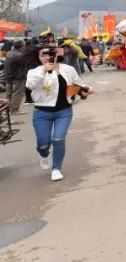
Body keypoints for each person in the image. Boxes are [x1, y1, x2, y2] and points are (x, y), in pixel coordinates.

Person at [25, 45, 93, 181]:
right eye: (42, 55)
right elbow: (30, 85)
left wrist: (87, 89)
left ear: (56, 55)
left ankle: (56, 168)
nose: (47, 57)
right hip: (42, 112)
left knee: (58, 139)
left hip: (64, 111)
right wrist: (44, 70)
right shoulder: (34, 72)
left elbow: (78, 84)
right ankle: (44, 153)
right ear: (38, 57)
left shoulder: (68, 70)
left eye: (50, 54)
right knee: (43, 144)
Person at [4, 40, 26, 112]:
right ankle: (14, 110)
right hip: (17, 77)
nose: (24, 48)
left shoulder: (9, 53)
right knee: (17, 93)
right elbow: (26, 64)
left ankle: (7, 109)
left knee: (9, 94)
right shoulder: (19, 55)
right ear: (21, 47)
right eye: (23, 46)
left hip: (8, 76)